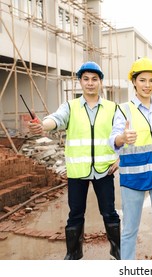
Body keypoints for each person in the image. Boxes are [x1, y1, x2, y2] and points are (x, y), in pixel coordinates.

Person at [28, 61, 121, 260]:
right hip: (78, 171)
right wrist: (43, 125)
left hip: (105, 170)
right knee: (75, 214)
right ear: (80, 82)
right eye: (86, 79)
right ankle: (74, 253)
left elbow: (121, 135)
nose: (90, 83)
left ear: (100, 82)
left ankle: (116, 250)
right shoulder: (70, 107)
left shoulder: (112, 108)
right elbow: (57, 119)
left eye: (94, 79)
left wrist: (120, 158)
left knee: (109, 213)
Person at [109, 57, 152, 260]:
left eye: (151, 80)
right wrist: (123, 138)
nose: (147, 85)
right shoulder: (123, 109)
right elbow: (113, 139)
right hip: (133, 178)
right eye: (142, 80)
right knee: (130, 230)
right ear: (134, 82)